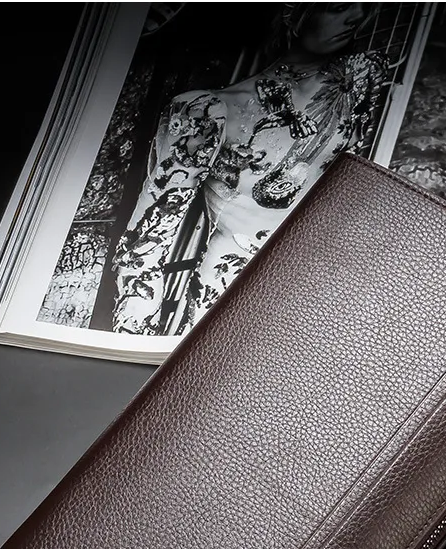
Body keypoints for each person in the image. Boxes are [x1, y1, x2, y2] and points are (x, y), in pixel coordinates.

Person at [110, 3, 390, 335]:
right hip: (235, 290)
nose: (356, 17)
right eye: (338, 6)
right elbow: (145, 244)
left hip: (322, 289)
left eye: (365, 6)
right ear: (293, 10)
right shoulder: (209, 110)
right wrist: (134, 342)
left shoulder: (357, 83)